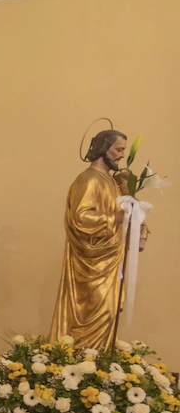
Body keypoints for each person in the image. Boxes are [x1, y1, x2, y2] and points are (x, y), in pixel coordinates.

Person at [50, 127, 132, 349]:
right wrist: (114, 217)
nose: (121, 155)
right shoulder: (88, 180)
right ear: (104, 148)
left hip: (111, 259)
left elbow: (126, 215)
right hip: (91, 262)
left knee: (110, 311)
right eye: (118, 149)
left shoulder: (112, 182)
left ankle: (99, 369)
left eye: (123, 150)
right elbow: (80, 217)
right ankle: (80, 365)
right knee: (98, 310)